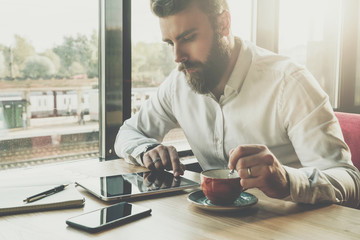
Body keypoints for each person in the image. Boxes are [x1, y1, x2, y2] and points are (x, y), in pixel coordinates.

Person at [115, 0, 360, 208]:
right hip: (212, 228)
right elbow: (127, 133)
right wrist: (147, 150)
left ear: (223, 24)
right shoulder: (178, 84)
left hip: (289, 227)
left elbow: (350, 180)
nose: (177, 56)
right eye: (170, 43)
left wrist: (287, 180)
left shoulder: (290, 82)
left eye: (187, 38)